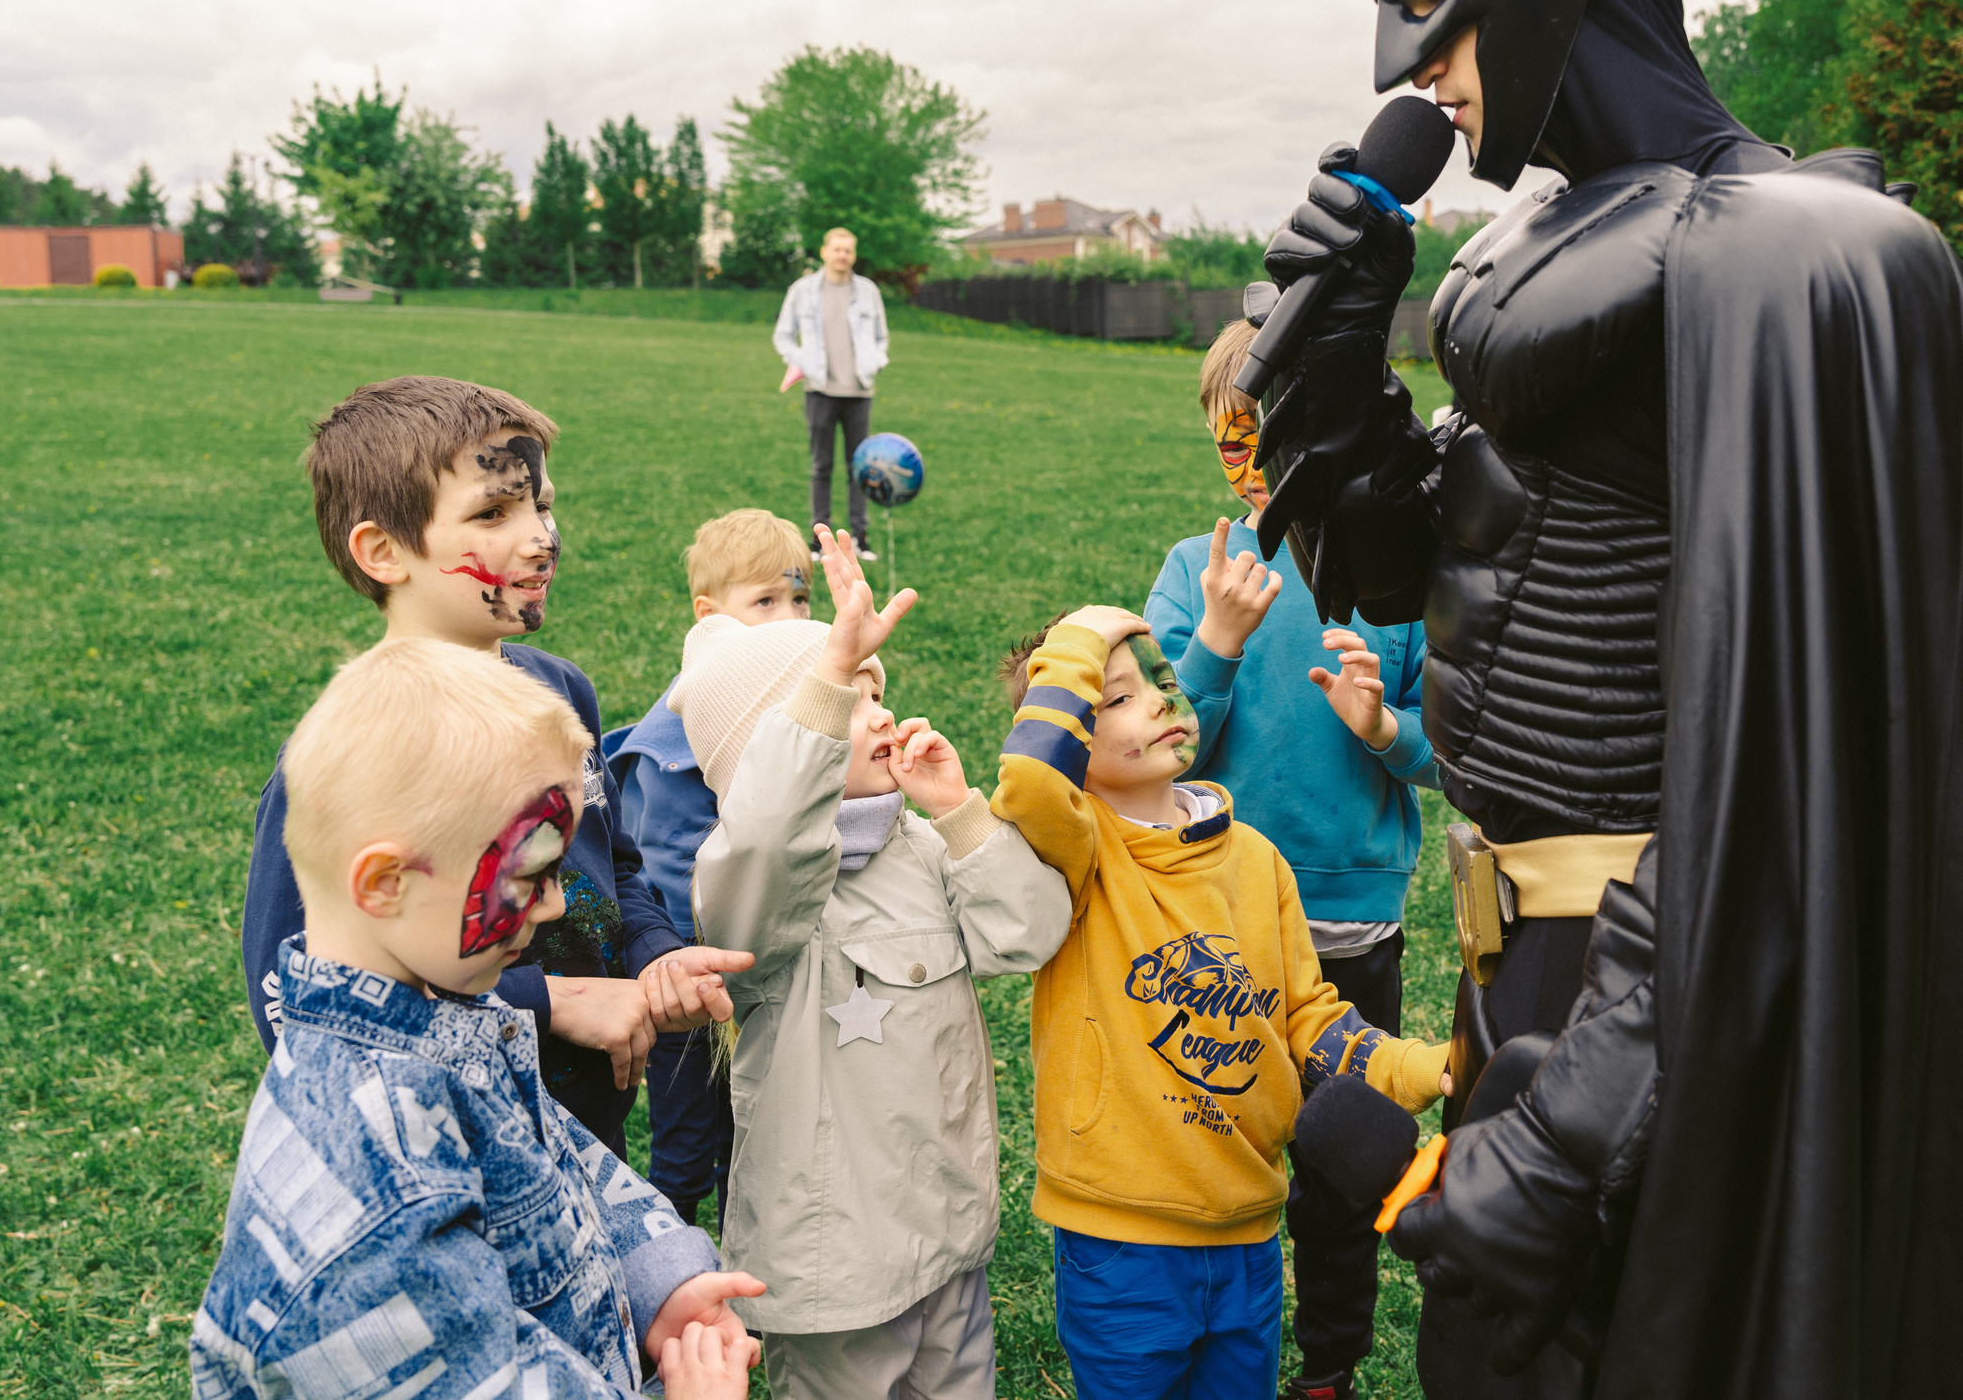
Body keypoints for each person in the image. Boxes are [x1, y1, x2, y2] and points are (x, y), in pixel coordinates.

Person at [1239, 0, 1963, 1395]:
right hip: (1519, 950)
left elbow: (1789, 786)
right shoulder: (1553, 243)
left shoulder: (1788, 261)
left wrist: (1575, 1128)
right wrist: (1337, 346)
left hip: (1665, 980)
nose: (1416, 75)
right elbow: (1419, 567)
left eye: (1438, 8)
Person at [192, 637, 765, 1400]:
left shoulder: (449, 1011)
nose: (559, 903)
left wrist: (653, 1281)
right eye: (532, 875)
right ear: (386, 883)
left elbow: (562, 1164)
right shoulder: (372, 1206)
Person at [239, 376, 747, 1159]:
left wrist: (656, 955)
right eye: (493, 513)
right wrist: (552, 1002)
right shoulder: (356, 749)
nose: (540, 537)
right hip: (444, 1145)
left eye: (541, 504)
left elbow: (611, 865)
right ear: (383, 552)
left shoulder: (559, 691)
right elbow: (293, 996)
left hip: (587, 1133)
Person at [991, 604, 1451, 1400]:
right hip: (1120, 1239)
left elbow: (1307, 1015)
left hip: (1245, 1231)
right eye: (1118, 698)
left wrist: (1421, 1067)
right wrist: (1080, 640)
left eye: (1161, 682)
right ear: (1075, 741)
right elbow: (1031, 779)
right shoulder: (1079, 852)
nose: (1162, 702)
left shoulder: (1254, 858)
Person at [679, 526, 1071, 1400]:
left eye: (875, 692)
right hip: (835, 1279)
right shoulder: (762, 891)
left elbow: (1029, 933)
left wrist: (963, 814)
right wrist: (827, 683)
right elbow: (768, 835)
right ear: (782, 748)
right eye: (852, 703)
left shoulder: (921, 848)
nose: (883, 712)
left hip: (947, 1242)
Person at [1144, 315, 1437, 1400]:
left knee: (1344, 1160)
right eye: (1234, 435)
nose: (1258, 461)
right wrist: (1213, 642)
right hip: (1212, 927)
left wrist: (1384, 731)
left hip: (1347, 929)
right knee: (1211, 1152)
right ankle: (1209, 1351)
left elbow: (1456, 741)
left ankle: (1328, 1368)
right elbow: (1150, 750)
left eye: (1282, 433)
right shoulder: (1193, 571)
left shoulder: (1398, 581)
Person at [608, 508, 816, 1228]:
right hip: (688, 985)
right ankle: (668, 1268)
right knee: (686, 1141)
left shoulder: (786, 699)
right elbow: (665, 860)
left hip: (755, 973)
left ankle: (748, 1287)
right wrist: (697, 964)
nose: (788, 617)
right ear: (709, 613)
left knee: (751, 1137)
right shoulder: (688, 718)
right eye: (765, 601)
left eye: (800, 600)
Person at [774, 227, 889, 559]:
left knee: (861, 468)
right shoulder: (803, 291)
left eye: (848, 251)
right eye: (837, 249)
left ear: (853, 255)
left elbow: (882, 337)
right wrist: (802, 361)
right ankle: (819, 539)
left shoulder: (867, 292)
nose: (843, 256)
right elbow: (782, 336)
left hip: (859, 392)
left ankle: (860, 537)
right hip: (819, 389)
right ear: (824, 251)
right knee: (821, 466)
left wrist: (876, 362)